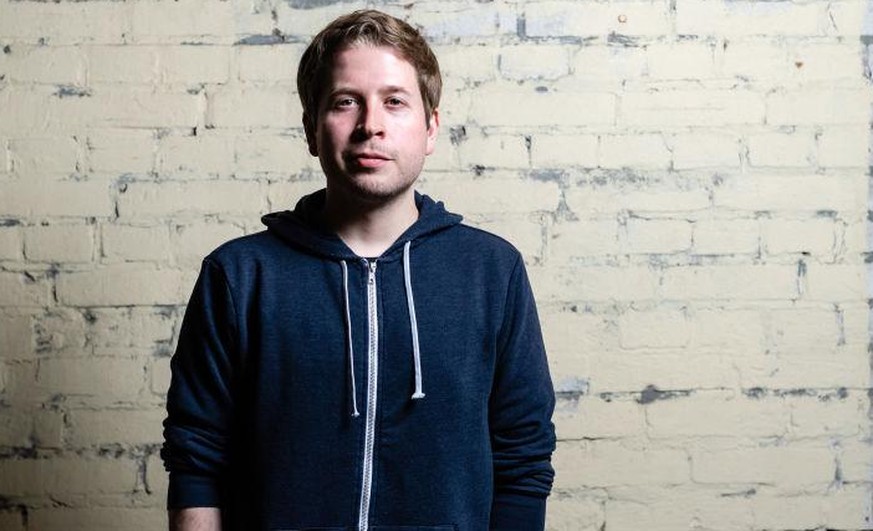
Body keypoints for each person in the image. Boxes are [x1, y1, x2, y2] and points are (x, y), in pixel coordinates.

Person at [161, 9, 556, 531]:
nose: (371, 124)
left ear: (431, 127)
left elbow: (523, 457)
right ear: (311, 129)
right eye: (346, 102)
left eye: (395, 101)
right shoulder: (240, 276)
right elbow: (197, 456)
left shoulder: (490, 271)